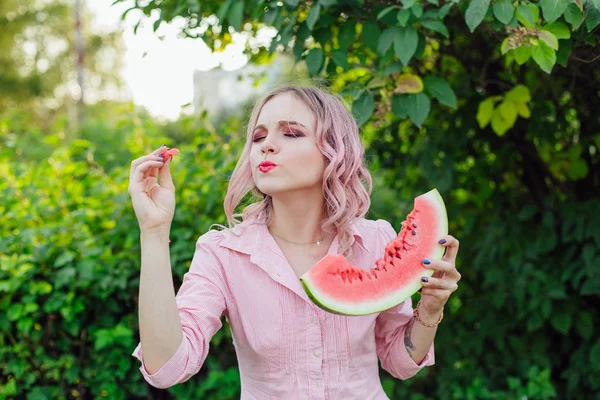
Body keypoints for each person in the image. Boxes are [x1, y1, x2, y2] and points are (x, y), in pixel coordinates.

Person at [127, 83, 461, 399]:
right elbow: (167, 368)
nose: (267, 145)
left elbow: (399, 362)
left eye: (291, 133)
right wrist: (154, 233)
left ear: (333, 150)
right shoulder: (223, 253)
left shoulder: (374, 241)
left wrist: (430, 308)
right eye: (258, 136)